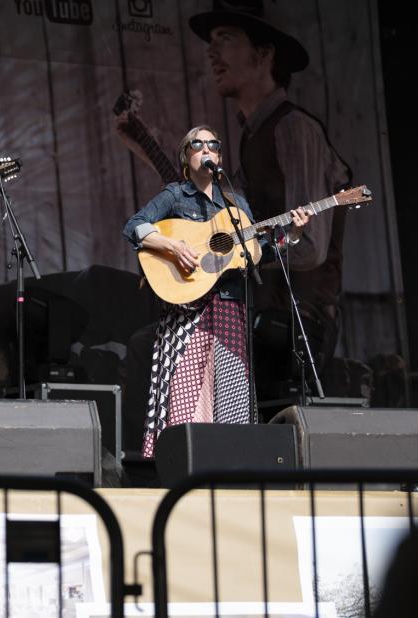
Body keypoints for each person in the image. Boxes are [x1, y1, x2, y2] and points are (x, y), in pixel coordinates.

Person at [189, 2, 353, 397]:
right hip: (261, 310)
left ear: (263, 55)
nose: (211, 53)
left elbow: (310, 249)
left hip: (296, 319)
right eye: (211, 43)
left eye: (225, 41)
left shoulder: (294, 129)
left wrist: (240, 256)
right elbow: (233, 219)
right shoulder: (250, 136)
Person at [123, 126, 309, 458]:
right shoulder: (176, 196)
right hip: (188, 311)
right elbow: (135, 225)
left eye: (213, 145)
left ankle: (232, 463)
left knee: (233, 393)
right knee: (186, 394)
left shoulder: (237, 206)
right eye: (198, 144)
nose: (207, 149)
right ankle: (183, 461)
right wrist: (173, 245)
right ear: (186, 155)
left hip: (229, 307)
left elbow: (257, 253)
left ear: (219, 157)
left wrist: (291, 234)